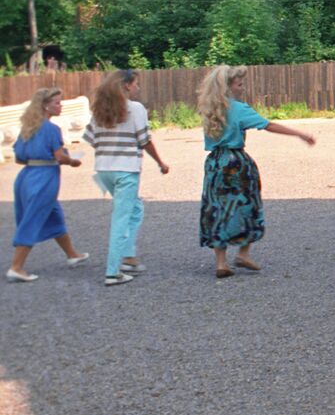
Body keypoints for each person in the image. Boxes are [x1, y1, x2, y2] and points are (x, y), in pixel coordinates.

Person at [196, 65, 315, 278]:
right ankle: (243, 253)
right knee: (247, 204)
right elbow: (267, 125)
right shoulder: (239, 108)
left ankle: (221, 262)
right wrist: (299, 134)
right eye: (240, 85)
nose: (243, 88)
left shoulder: (209, 109)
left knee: (216, 208)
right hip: (236, 162)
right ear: (229, 87)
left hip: (214, 163)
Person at [84, 69, 169, 287]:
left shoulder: (100, 110)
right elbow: (144, 140)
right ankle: (114, 271)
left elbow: (91, 138)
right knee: (121, 218)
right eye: (135, 84)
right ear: (126, 86)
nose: (137, 88)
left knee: (135, 208)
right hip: (126, 170)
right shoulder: (135, 109)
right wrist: (160, 162)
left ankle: (129, 256)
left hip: (104, 169)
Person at [7, 88, 89, 281]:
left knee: (54, 215)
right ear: (45, 106)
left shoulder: (27, 128)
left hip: (26, 176)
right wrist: (72, 161)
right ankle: (16, 267)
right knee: (33, 218)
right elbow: (59, 157)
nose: (60, 106)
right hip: (44, 177)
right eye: (57, 103)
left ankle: (72, 255)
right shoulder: (52, 129)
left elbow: (19, 157)